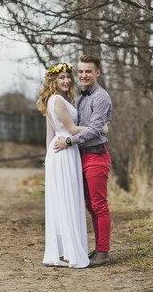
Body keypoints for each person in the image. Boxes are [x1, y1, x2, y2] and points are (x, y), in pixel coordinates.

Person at [54, 55, 113, 267]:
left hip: (96, 156)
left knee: (99, 205)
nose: (83, 75)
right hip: (82, 157)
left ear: (97, 72)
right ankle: (98, 248)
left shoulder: (101, 97)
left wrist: (70, 140)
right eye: (80, 71)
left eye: (88, 71)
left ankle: (104, 252)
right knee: (90, 206)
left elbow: (95, 129)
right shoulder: (82, 98)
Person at [36, 62, 90, 268]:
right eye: (62, 77)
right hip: (65, 150)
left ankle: (65, 251)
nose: (66, 80)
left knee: (64, 200)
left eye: (68, 77)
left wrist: (47, 158)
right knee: (68, 200)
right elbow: (73, 129)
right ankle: (72, 252)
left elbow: (50, 133)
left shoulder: (51, 100)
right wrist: (98, 128)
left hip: (57, 151)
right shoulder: (57, 99)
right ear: (53, 80)